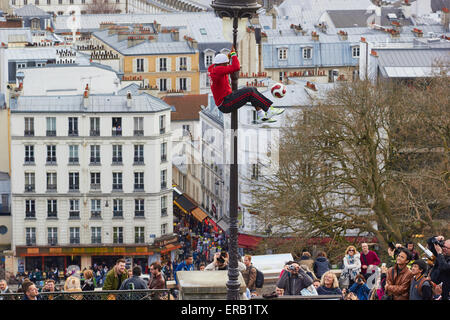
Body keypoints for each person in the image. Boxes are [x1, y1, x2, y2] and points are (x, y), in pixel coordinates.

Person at [208, 49, 284, 123]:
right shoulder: (218, 70)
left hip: (226, 101)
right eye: (226, 64)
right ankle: (269, 109)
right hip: (226, 103)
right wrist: (233, 55)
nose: (227, 65)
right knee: (250, 91)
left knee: (252, 91)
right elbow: (236, 67)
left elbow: (219, 63)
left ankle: (261, 115)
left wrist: (228, 57)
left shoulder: (213, 69)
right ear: (221, 64)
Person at [427, 235, 450, 300]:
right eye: (443, 246)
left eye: (446, 248)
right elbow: (429, 242)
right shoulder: (443, 254)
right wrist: (436, 238)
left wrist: (440, 253)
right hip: (433, 287)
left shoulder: (441, 254)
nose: (443, 248)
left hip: (444, 293)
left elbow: (444, 267)